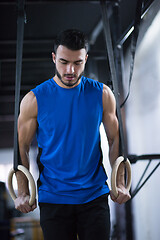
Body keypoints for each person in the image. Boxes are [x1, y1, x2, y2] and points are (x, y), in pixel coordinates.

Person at [14, 29, 131, 240]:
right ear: (53, 58)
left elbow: (115, 139)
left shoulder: (102, 94)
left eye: (78, 62)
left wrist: (120, 181)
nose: (70, 69)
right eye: (63, 61)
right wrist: (22, 191)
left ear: (86, 59)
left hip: (94, 195)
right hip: (53, 197)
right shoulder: (34, 100)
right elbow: (21, 146)